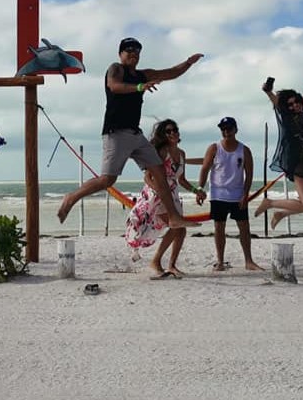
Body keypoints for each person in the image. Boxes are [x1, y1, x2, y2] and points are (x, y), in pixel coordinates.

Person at [57, 37, 203, 228]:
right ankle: (72, 197)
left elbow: (170, 73)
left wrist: (188, 63)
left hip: (136, 134)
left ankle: (174, 216)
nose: (134, 54)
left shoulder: (143, 74)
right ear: (121, 54)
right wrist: (140, 87)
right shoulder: (116, 68)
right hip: (116, 132)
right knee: (107, 180)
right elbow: (114, 86)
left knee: (159, 170)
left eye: (137, 52)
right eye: (129, 51)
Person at [125, 119, 205, 278]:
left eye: (175, 129)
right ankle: (155, 262)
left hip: (173, 195)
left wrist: (196, 190)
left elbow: (181, 179)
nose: (173, 133)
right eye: (168, 131)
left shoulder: (181, 154)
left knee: (181, 231)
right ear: (163, 135)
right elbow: (148, 177)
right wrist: (160, 192)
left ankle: (171, 265)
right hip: (157, 195)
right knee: (177, 227)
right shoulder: (161, 152)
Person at [254, 73, 303, 230]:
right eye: (290, 104)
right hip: (298, 163)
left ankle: (281, 214)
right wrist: (268, 92)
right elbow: (277, 103)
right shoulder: (287, 117)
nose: (294, 106)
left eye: (296, 102)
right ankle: (270, 203)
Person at [198, 116, 263, 272]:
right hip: (218, 194)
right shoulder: (214, 148)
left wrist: (245, 194)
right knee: (219, 227)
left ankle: (249, 260)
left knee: (244, 227)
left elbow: (249, 174)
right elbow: (205, 169)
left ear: (235, 129)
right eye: (223, 129)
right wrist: (200, 189)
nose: (226, 132)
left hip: (237, 194)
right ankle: (220, 261)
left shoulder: (244, 150)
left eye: (229, 128)